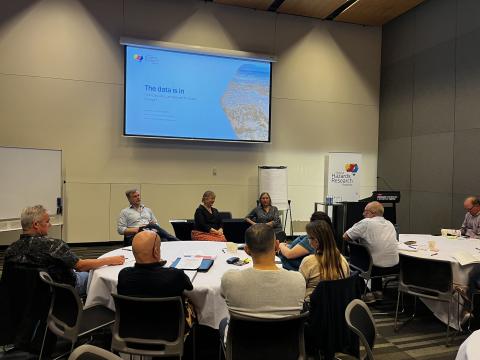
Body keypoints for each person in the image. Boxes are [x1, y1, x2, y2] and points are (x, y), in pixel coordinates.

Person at [5, 205, 125, 296]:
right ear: (36, 224)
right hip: (64, 289)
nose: (50, 225)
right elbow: (80, 266)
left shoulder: (10, 250)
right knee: (96, 276)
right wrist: (110, 260)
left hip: (30, 293)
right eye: (47, 222)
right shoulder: (53, 246)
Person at [220, 224, 305, 341]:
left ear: (246, 250)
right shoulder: (298, 280)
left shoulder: (230, 279)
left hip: (242, 350)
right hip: (287, 350)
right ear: (276, 245)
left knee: (223, 323)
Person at [117, 230, 195, 332]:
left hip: (131, 331)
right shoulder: (175, 275)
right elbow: (190, 287)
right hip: (170, 333)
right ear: (156, 251)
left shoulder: (123, 275)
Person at [343, 201, 398, 302]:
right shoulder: (390, 224)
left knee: (353, 261)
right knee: (375, 254)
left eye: (365, 212)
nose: (363, 214)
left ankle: (366, 293)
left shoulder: (366, 222)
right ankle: (378, 292)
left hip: (373, 268)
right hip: (394, 267)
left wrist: (356, 245)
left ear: (373, 213)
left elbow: (345, 236)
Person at [299, 220, 349, 300]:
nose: (308, 240)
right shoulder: (343, 260)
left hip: (312, 307)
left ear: (316, 241)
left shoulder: (308, 261)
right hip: (338, 305)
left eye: (308, 237)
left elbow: (299, 287)